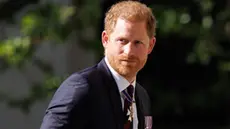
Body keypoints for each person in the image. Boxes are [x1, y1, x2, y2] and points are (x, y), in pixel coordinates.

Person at [40, 1, 156, 129]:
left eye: (138, 43)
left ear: (150, 45)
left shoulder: (142, 97)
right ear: (105, 40)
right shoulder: (82, 88)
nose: (129, 51)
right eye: (122, 41)